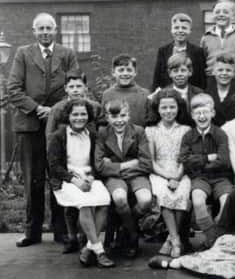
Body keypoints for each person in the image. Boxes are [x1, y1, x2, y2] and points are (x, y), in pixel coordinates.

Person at [7, 12, 79, 247]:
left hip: (58, 125)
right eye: (41, 29)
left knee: (59, 176)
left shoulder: (67, 55)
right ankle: (32, 231)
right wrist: (37, 108)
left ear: (55, 30)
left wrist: (55, 110)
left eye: (49, 28)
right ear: (34, 31)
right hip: (30, 125)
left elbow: (74, 87)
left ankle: (62, 231)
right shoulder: (23, 54)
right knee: (33, 179)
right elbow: (14, 89)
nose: (45, 32)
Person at [48, 99, 114, 268]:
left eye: (83, 114)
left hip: (89, 177)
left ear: (89, 115)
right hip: (67, 180)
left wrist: (92, 176)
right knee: (85, 203)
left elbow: (96, 162)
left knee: (104, 200)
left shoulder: (93, 135)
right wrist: (75, 180)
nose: (79, 117)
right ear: (68, 116)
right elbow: (54, 167)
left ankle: (88, 247)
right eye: (75, 114)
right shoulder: (58, 136)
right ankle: (99, 251)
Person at [95, 99, 152, 258]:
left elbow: (146, 163)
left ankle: (124, 227)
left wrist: (114, 165)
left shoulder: (138, 131)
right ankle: (132, 235)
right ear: (107, 118)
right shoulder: (102, 133)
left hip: (137, 174)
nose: (119, 120)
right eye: (114, 117)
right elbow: (99, 166)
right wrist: (125, 166)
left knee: (146, 200)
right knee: (119, 197)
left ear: (128, 116)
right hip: (116, 177)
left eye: (122, 115)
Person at [178, 93, 232, 248]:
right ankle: (213, 240)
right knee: (198, 201)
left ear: (212, 113)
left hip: (221, 178)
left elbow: (224, 161)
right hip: (199, 178)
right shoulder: (188, 136)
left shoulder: (220, 134)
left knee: (227, 202)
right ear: (192, 116)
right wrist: (208, 158)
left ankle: (214, 236)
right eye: (197, 113)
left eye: (205, 112)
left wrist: (198, 161)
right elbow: (185, 161)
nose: (202, 116)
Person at [145, 89, 192, 258]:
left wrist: (177, 177)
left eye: (172, 107)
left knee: (182, 194)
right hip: (160, 172)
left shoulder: (186, 130)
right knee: (165, 194)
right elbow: (152, 161)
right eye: (164, 108)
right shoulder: (151, 131)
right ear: (157, 109)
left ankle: (169, 240)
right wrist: (168, 177)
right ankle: (176, 240)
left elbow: (186, 159)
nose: (168, 111)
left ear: (178, 108)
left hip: (181, 171)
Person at [201, 0, 235, 82]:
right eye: (217, 12)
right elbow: (202, 63)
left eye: (225, 12)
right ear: (213, 14)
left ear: (233, 15)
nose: (221, 14)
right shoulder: (206, 37)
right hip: (212, 81)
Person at [151, 12, 206, 91]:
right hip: (169, 96)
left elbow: (201, 79)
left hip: (191, 95)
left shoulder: (198, 52)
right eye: (176, 28)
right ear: (171, 30)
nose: (180, 31)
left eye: (184, 28)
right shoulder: (163, 51)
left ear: (190, 31)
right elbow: (157, 77)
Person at [46, 71, 102, 144]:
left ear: (85, 87)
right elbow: (50, 135)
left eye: (79, 86)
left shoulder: (95, 107)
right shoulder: (57, 108)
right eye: (71, 87)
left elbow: (101, 131)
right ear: (66, 88)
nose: (75, 90)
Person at [149, 54, 204, 127]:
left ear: (190, 72)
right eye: (175, 71)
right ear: (170, 73)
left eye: (183, 70)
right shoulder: (163, 94)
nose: (179, 74)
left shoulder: (199, 93)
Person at [101, 54, 150, 127]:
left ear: (135, 72)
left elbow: (150, 121)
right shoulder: (107, 94)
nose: (125, 73)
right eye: (121, 70)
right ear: (113, 72)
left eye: (129, 70)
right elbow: (103, 122)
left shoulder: (145, 94)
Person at [205, 53, 235, 127]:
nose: (224, 73)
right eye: (220, 70)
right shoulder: (207, 86)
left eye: (228, 70)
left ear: (233, 73)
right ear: (214, 71)